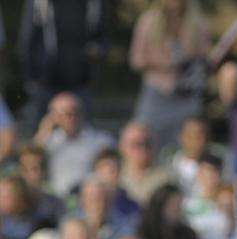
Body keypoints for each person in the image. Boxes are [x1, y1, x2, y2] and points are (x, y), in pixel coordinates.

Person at [129, 0, 212, 151]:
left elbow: (204, 57)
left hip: (187, 93)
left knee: (189, 143)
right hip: (157, 92)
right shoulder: (149, 21)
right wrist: (164, 64)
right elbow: (137, 60)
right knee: (146, 139)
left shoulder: (197, 23)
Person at [18, 0, 106, 131]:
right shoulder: (40, 2)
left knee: (82, 134)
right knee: (40, 132)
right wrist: (32, 78)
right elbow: (28, 40)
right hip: (45, 83)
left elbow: (101, 36)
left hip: (80, 81)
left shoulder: (93, 3)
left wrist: (97, 50)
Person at [34, 92, 114, 196]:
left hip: (91, 199)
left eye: (75, 112)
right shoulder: (48, 142)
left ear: (82, 114)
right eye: (65, 114)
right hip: (56, 199)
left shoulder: (101, 141)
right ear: (54, 117)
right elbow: (30, 161)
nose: (71, 118)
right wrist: (44, 130)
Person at [119, 121, 177, 205]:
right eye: (136, 144)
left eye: (147, 143)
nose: (143, 149)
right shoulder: (115, 177)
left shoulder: (166, 179)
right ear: (122, 147)